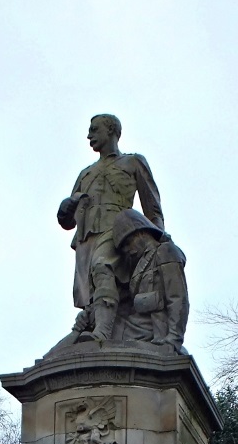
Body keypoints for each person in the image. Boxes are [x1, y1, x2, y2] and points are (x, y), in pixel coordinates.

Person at [58, 114, 164, 341]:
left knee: (102, 266)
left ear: (111, 130)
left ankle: (102, 334)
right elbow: (67, 222)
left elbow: (151, 206)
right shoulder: (85, 173)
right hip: (86, 238)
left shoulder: (132, 162)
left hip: (118, 231)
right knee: (91, 292)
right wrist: (66, 206)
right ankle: (94, 328)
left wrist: (158, 239)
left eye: (94, 130)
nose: (89, 136)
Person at [111, 209, 189, 352]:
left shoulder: (165, 251)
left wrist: (173, 339)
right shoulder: (139, 263)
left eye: (128, 242)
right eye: (124, 248)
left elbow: (177, 298)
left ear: (141, 232)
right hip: (135, 327)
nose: (128, 250)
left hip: (152, 332)